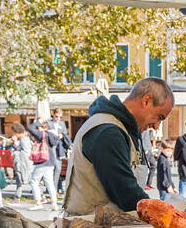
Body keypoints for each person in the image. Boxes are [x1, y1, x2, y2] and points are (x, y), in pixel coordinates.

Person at [62, 77, 174, 216]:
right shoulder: (109, 132)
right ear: (146, 100)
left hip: (108, 223)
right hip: (90, 225)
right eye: (159, 117)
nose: (156, 126)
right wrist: (163, 214)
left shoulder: (125, 129)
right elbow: (126, 193)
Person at [26, 116, 67, 211]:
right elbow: (56, 142)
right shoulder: (51, 134)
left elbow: (30, 128)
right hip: (51, 161)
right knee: (49, 183)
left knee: (34, 181)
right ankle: (54, 204)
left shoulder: (41, 134)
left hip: (42, 161)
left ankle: (38, 202)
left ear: (41, 127)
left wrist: (38, 121)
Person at [9, 122, 33, 201]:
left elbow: (26, 152)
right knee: (20, 179)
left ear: (17, 132)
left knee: (29, 180)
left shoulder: (24, 139)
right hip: (23, 163)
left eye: (14, 132)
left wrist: (16, 152)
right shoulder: (24, 138)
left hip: (24, 163)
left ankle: (40, 196)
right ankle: (17, 196)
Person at [139, 126, 157, 191]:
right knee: (145, 168)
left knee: (154, 165)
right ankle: (143, 184)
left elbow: (148, 139)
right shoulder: (143, 128)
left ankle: (149, 183)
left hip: (149, 150)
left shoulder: (147, 129)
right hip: (145, 151)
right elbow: (140, 140)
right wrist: (145, 149)